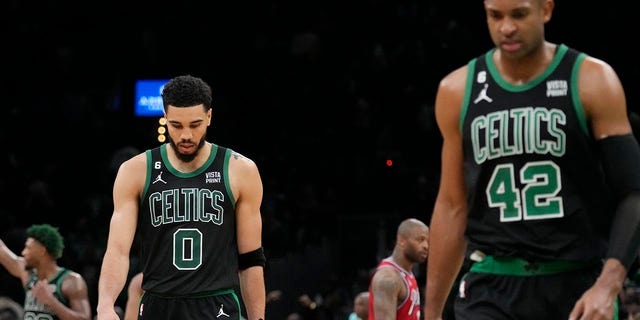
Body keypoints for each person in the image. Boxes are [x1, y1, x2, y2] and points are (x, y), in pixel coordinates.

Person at [423, 0, 640, 319]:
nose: (506, 27)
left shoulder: (592, 80)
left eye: (519, 14)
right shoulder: (457, 89)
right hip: (491, 284)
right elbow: (452, 205)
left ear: (546, 11)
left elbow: (633, 191)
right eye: (495, 16)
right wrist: (431, 312)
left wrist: (607, 285)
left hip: (576, 280)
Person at [96, 74, 266, 320]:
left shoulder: (240, 170)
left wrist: (258, 318)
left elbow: (250, 259)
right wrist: (105, 305)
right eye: (176, 125)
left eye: (195, 125)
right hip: (158, 303)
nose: (186, 135)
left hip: (218, 305)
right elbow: (118, 250)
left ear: (209, 117)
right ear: (164, 118)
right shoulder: (135, 171)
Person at [0, 224, 92, 320]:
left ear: (42, 250)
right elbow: (2, 251)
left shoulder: (71, 281)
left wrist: (52, 302)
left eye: (28, 248)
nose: (23, 252)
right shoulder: (28, 274)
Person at [368, 218, 429, 320]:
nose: (426, 246)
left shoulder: (405, 272)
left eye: (427, 241)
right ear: (401, 241)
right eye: (420, 240)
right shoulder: (388, 278)